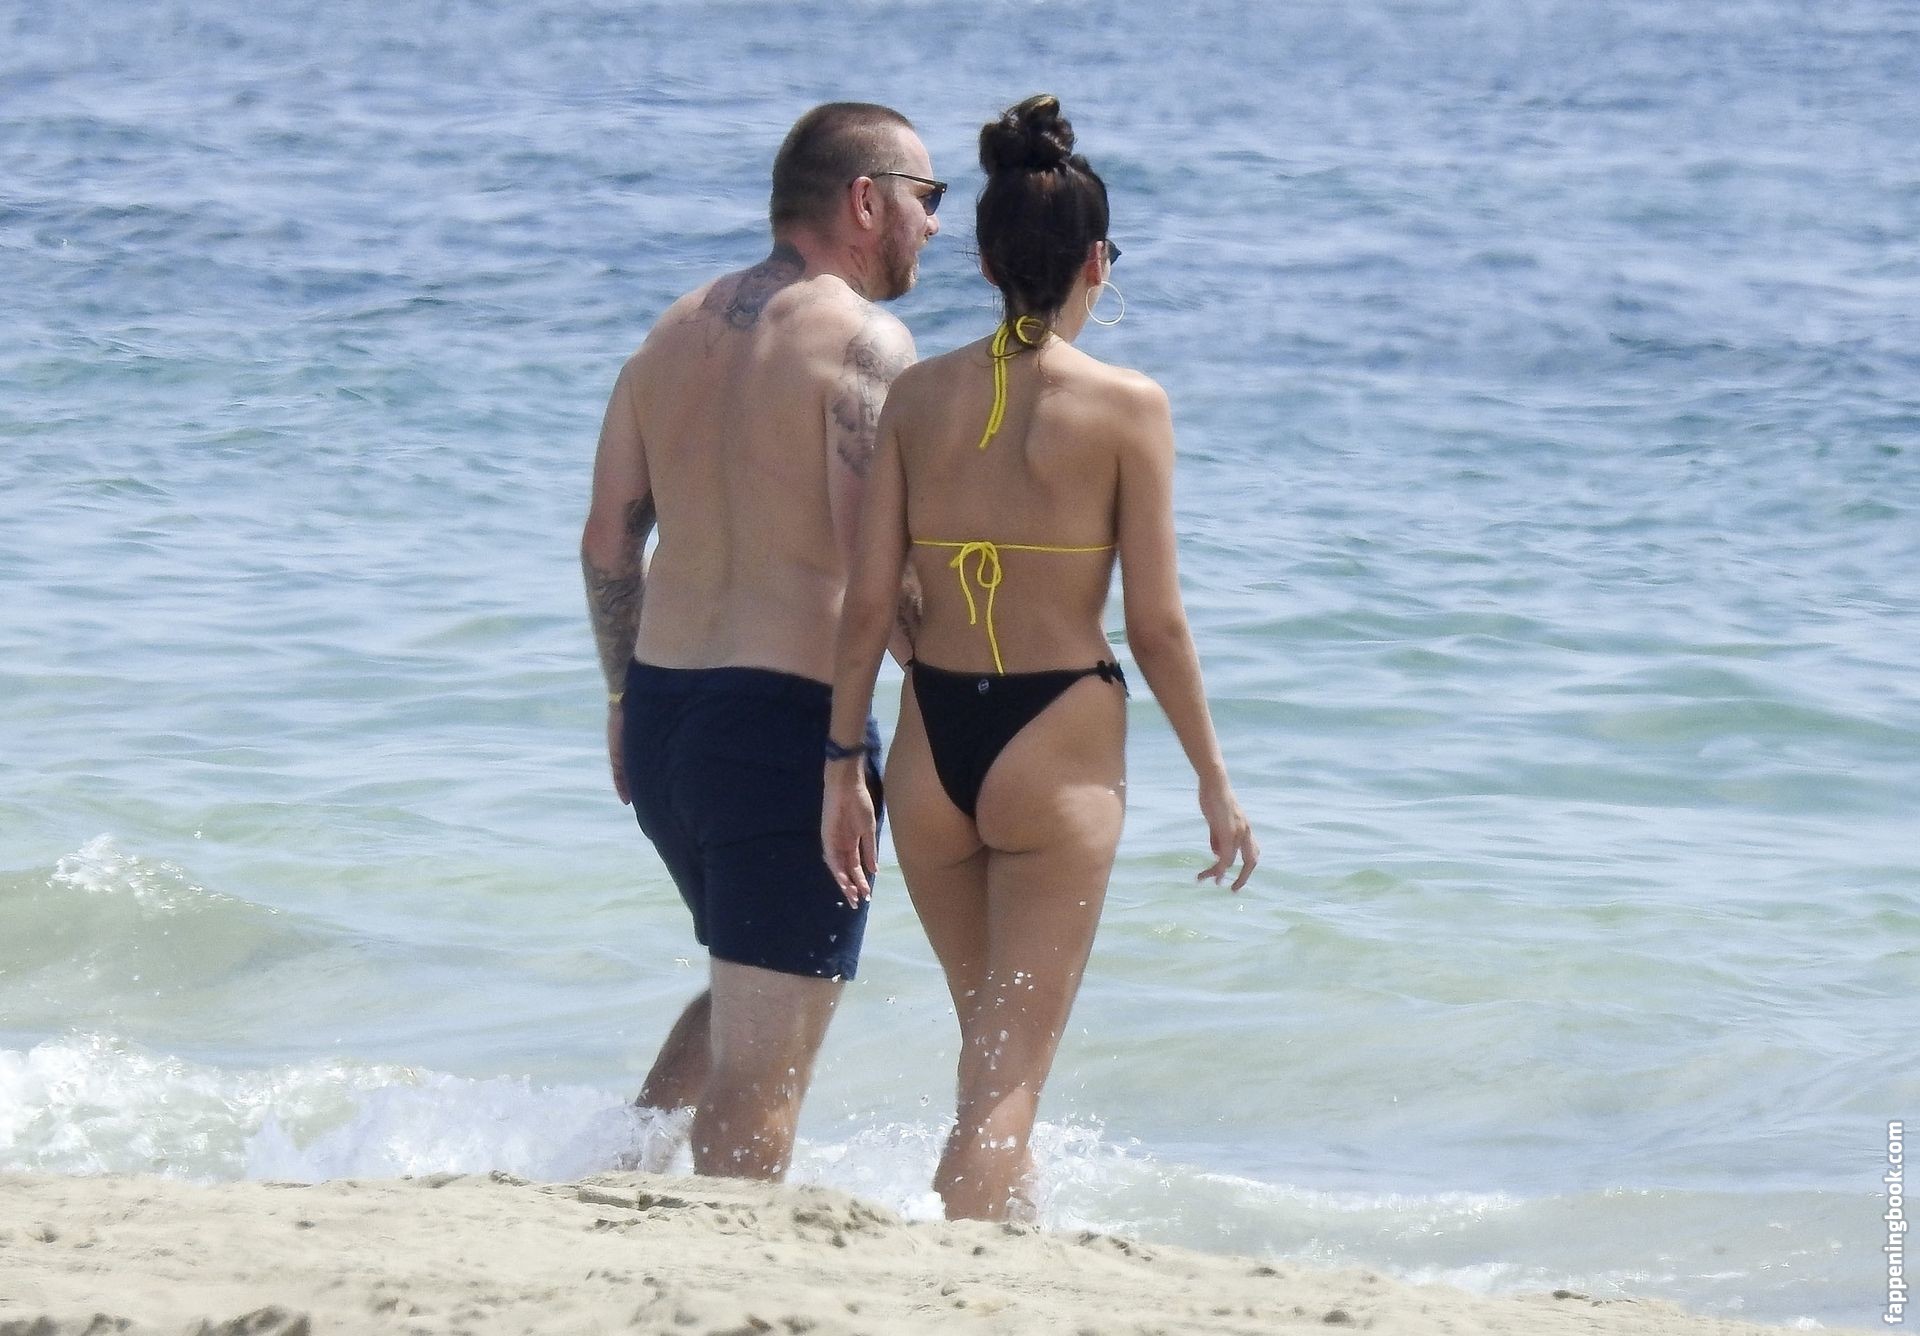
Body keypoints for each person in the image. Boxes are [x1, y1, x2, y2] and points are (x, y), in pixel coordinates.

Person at [822, 94, 1258, 1221]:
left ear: (983, 260)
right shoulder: (1128, 406)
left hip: (930, 749)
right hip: (1055, 740)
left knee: (991, 1048)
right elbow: (1156, 626)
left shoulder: (918, 396)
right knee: (1011, 1070)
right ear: (1096, 263)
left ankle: (1006, 1236)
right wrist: (1214, 780)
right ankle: (953, 1255)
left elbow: (867, 603)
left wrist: (839, 766)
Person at [581, 102, 941, 1181]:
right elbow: (876, 576)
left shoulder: (669, 331)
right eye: (927, 198)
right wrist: (928, 716)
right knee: (765, 1064)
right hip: (784, 731)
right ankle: (726, 1241)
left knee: (748, 988)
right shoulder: (868, 344)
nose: (935, 224)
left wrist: (621, 701)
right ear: (866, 200)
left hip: (666, 719)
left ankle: (615, 1181)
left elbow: (609, 542)